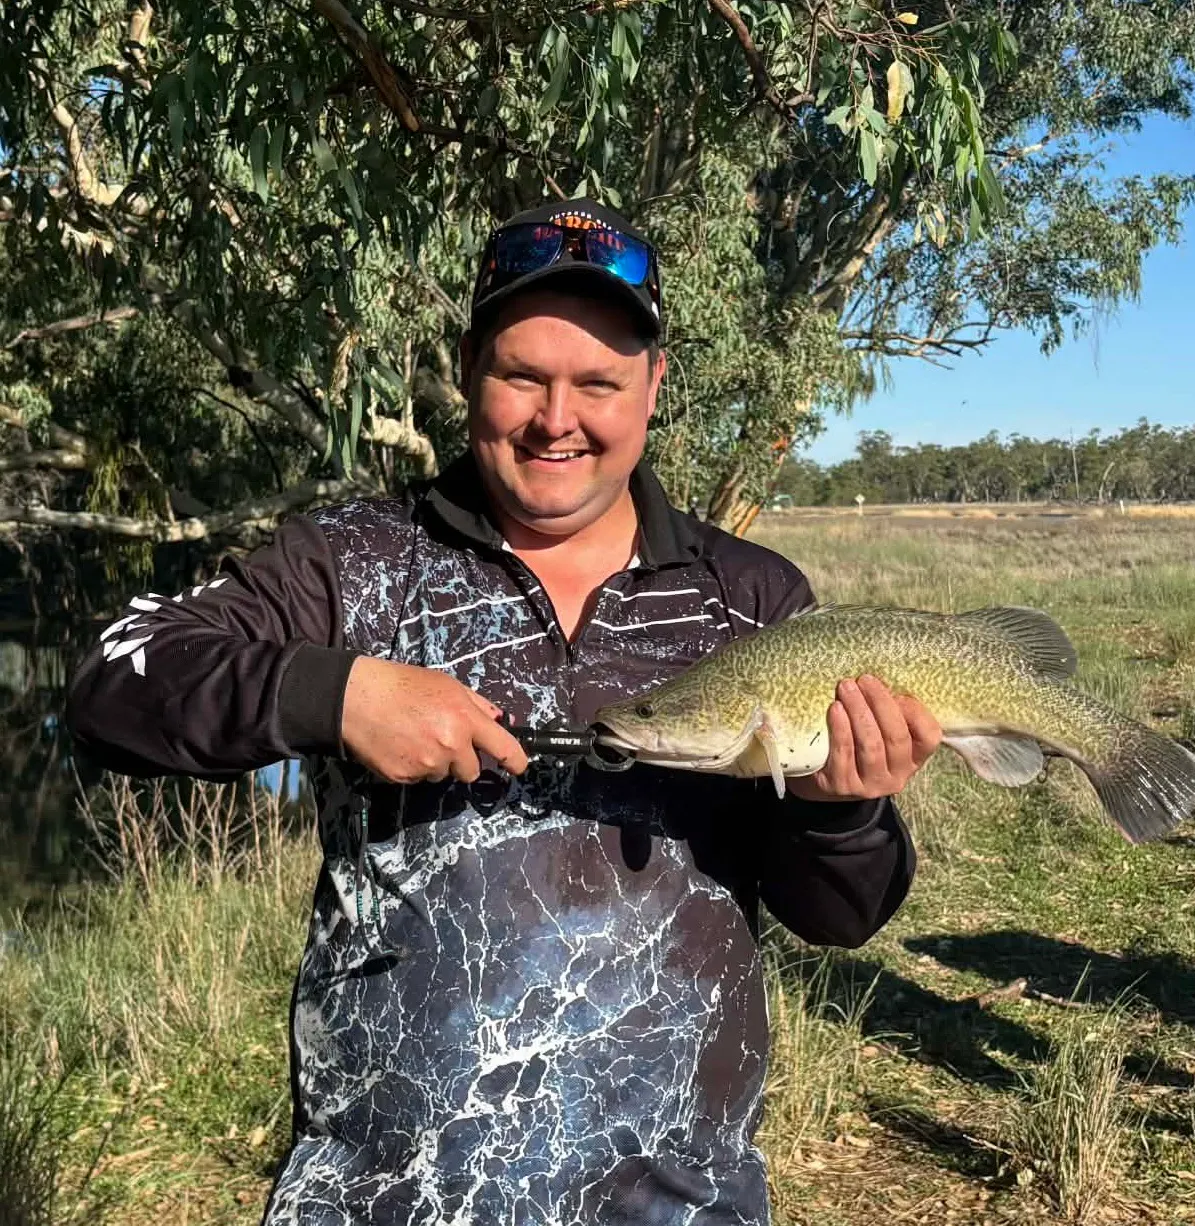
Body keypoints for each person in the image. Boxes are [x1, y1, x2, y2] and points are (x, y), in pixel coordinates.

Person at [67, 199, 942, 1225]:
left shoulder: (746, 600)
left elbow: (839, 916)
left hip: (677, 1201)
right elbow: (110, 681)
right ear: (469, 370)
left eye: (598, 383)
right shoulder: (352, 561)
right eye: (521, 375)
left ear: (653, 388)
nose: (554, 417)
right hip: (379, 1198)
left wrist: (840, 810)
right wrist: (333, 690)